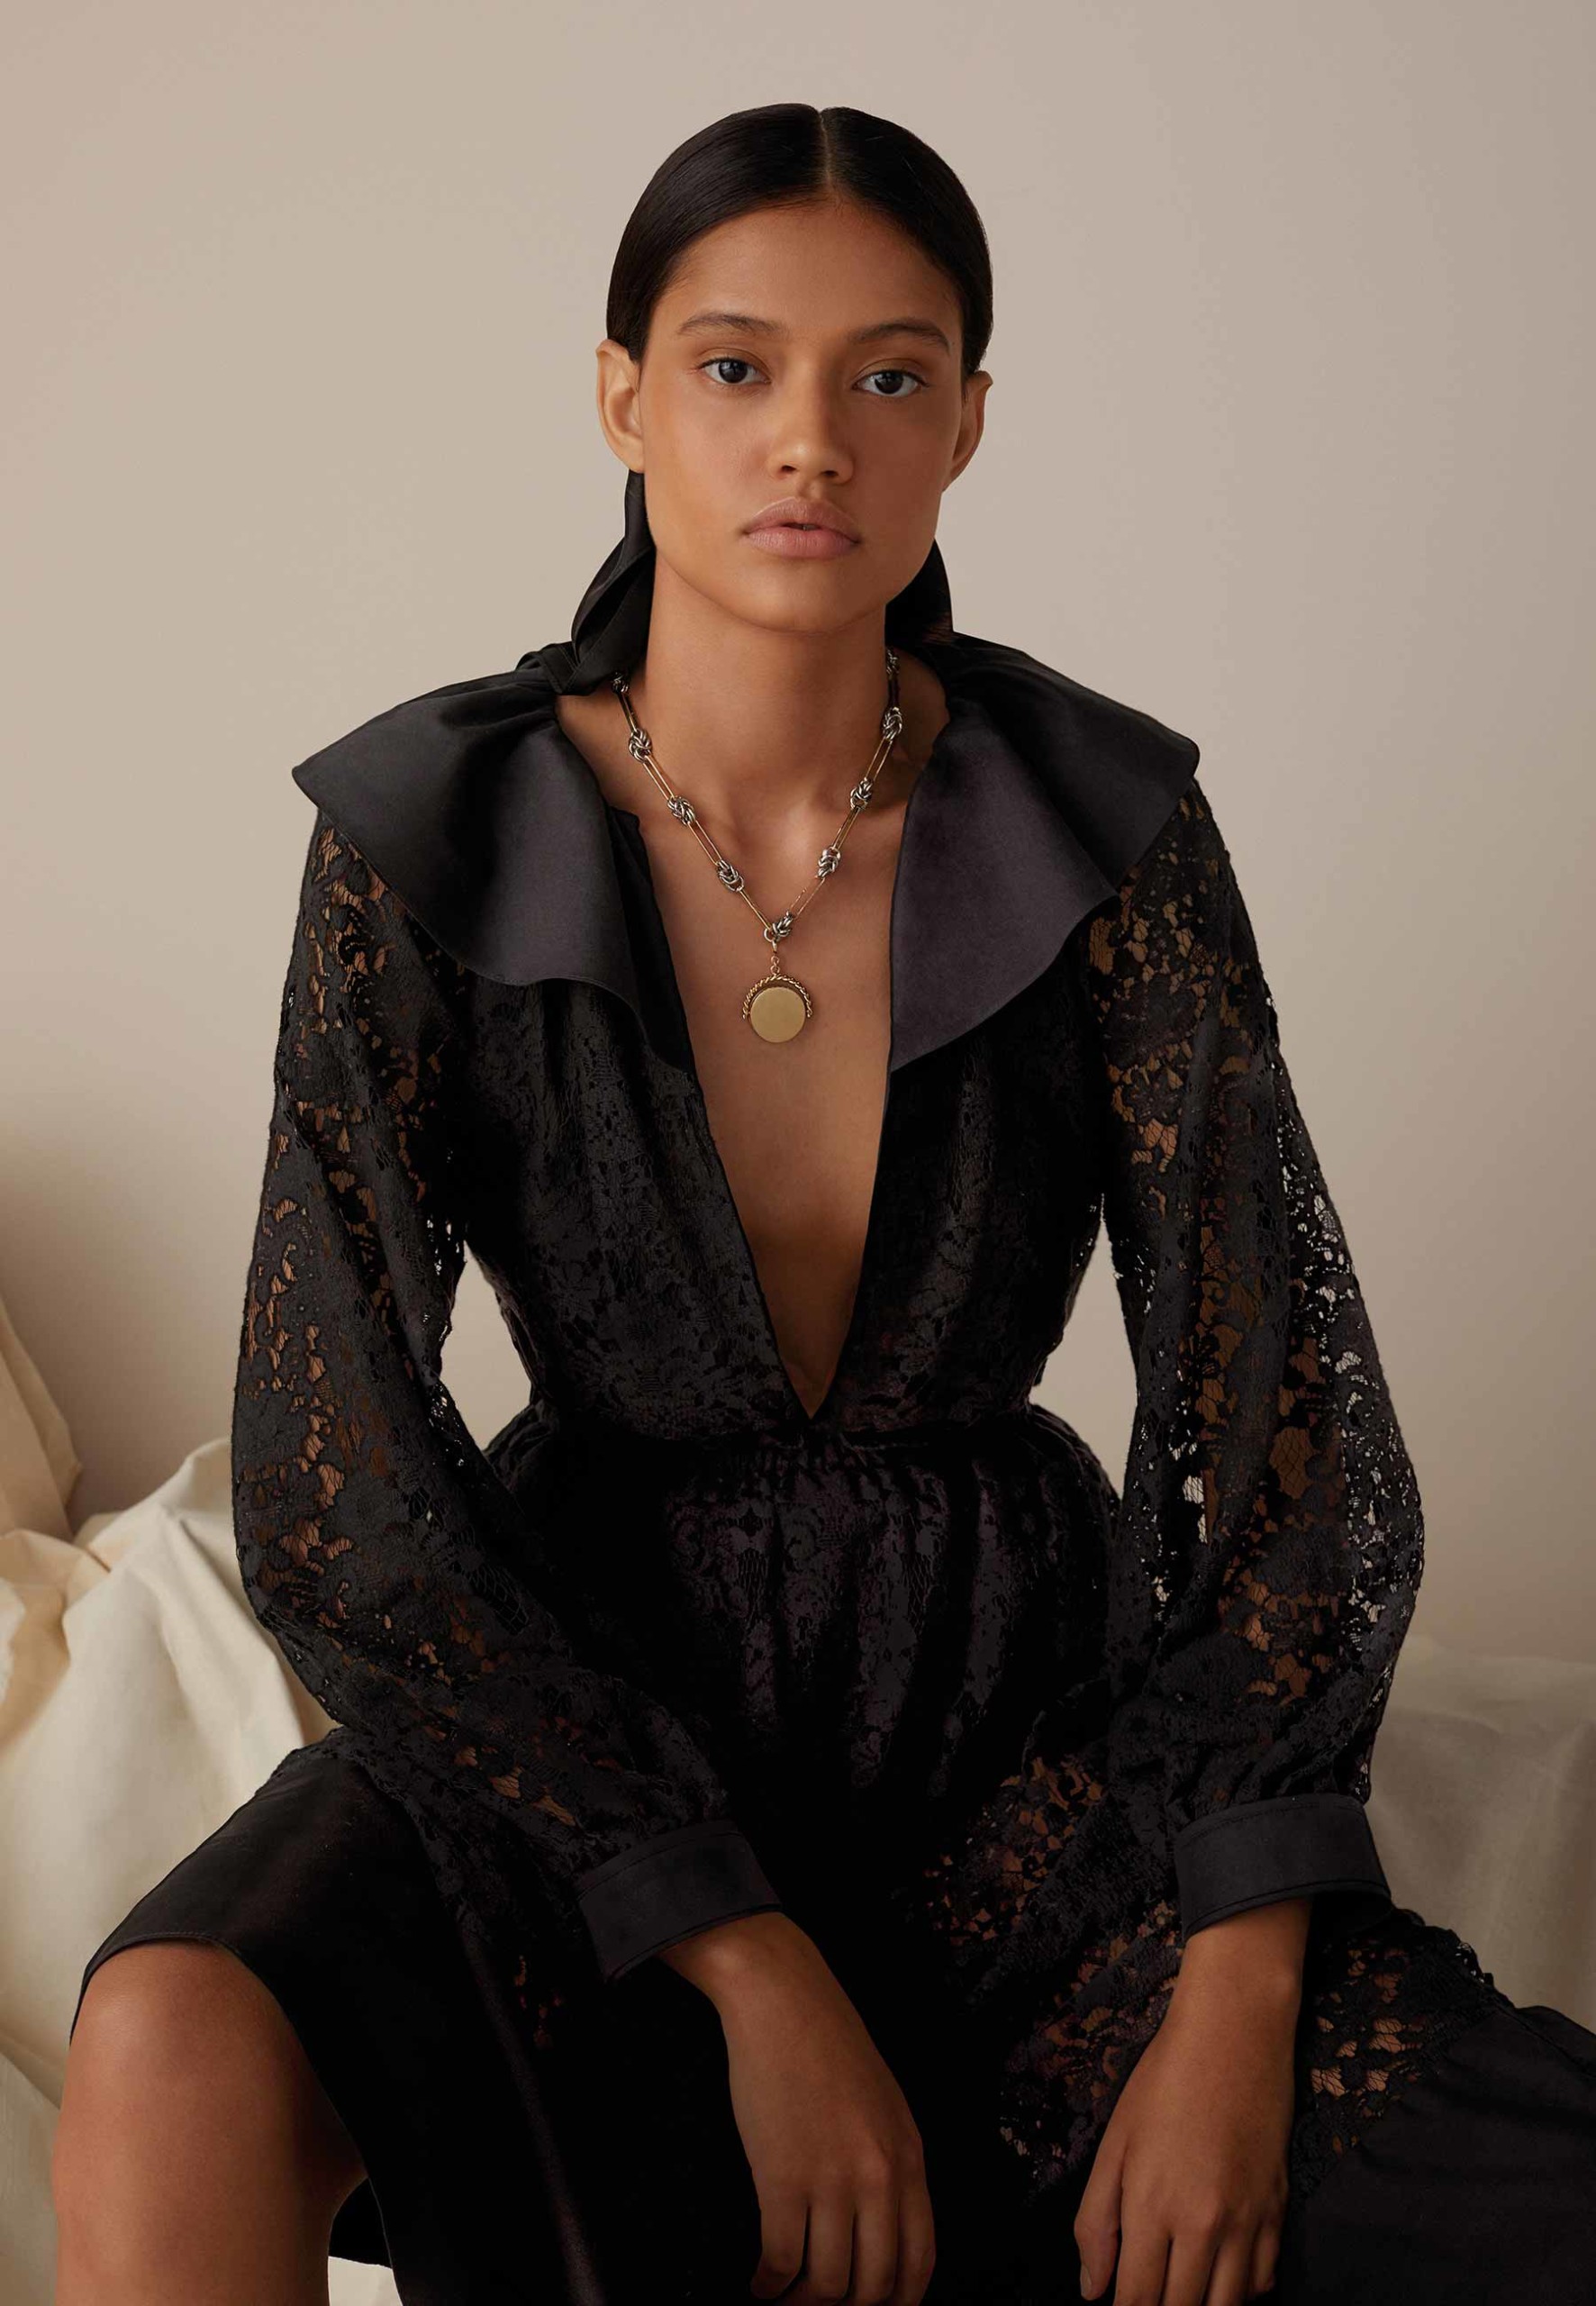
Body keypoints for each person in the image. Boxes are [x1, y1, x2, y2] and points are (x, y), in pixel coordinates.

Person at [53, 102, 1596, 2306]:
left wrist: (1235, 1986)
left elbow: (1289, 1446)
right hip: (580, 1745)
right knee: (170, 2029)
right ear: (621, 399)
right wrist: (733, 1942)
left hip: (1016, 1758)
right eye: (733, 365)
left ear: (966, 419)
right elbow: (337, 1481)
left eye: (888, 373)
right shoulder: (429, 836)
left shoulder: (1101, 826)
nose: (811, 439)